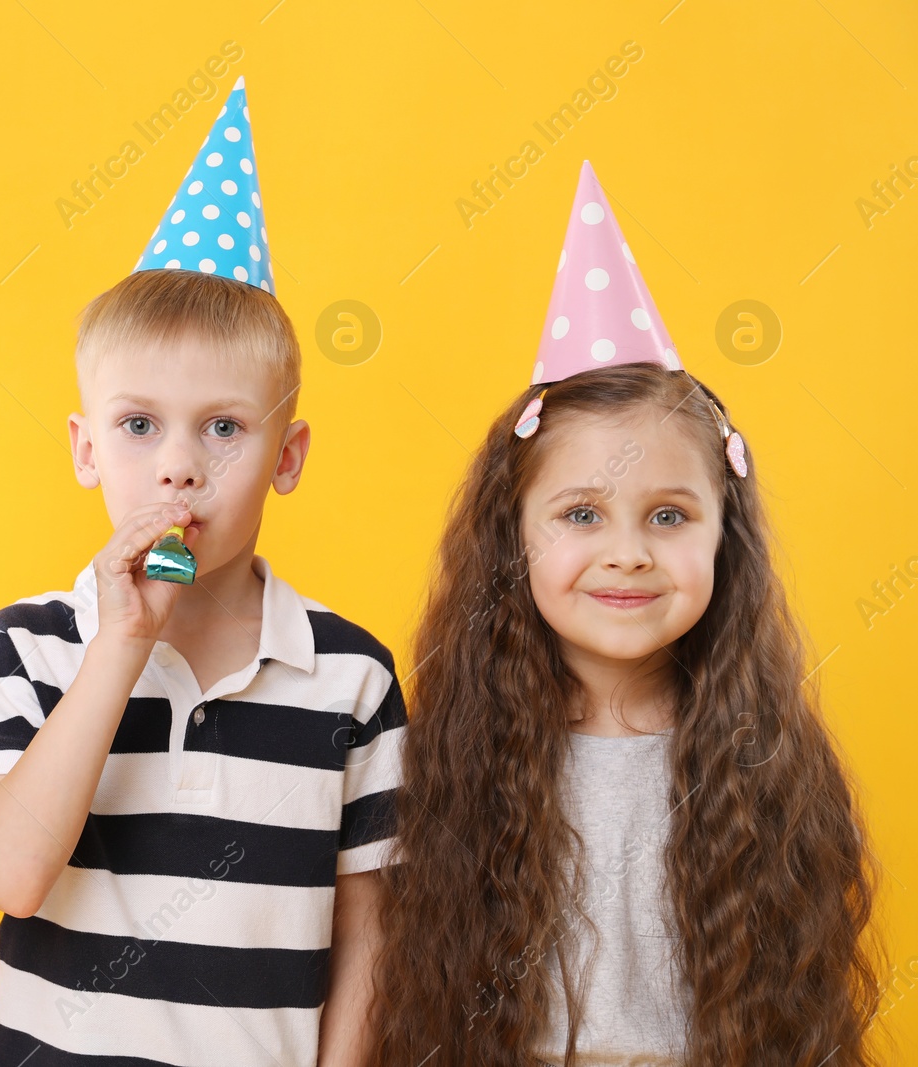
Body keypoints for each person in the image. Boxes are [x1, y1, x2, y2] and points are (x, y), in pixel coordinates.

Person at [372, 162, 880, 1067]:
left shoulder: (761, 754)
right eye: (581, 514)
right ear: (511, 537)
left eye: (669, 515)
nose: (628, 552)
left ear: (727, 537)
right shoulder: (458, 755)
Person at [0, 77, 406, 1066]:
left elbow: (369, 929)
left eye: (225, 427)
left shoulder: (353, 676)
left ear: (286, 459)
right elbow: (13, 874)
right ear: (84, 448)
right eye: (139, 423)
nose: (178, 464)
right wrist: (122, 640)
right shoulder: (25, 643)